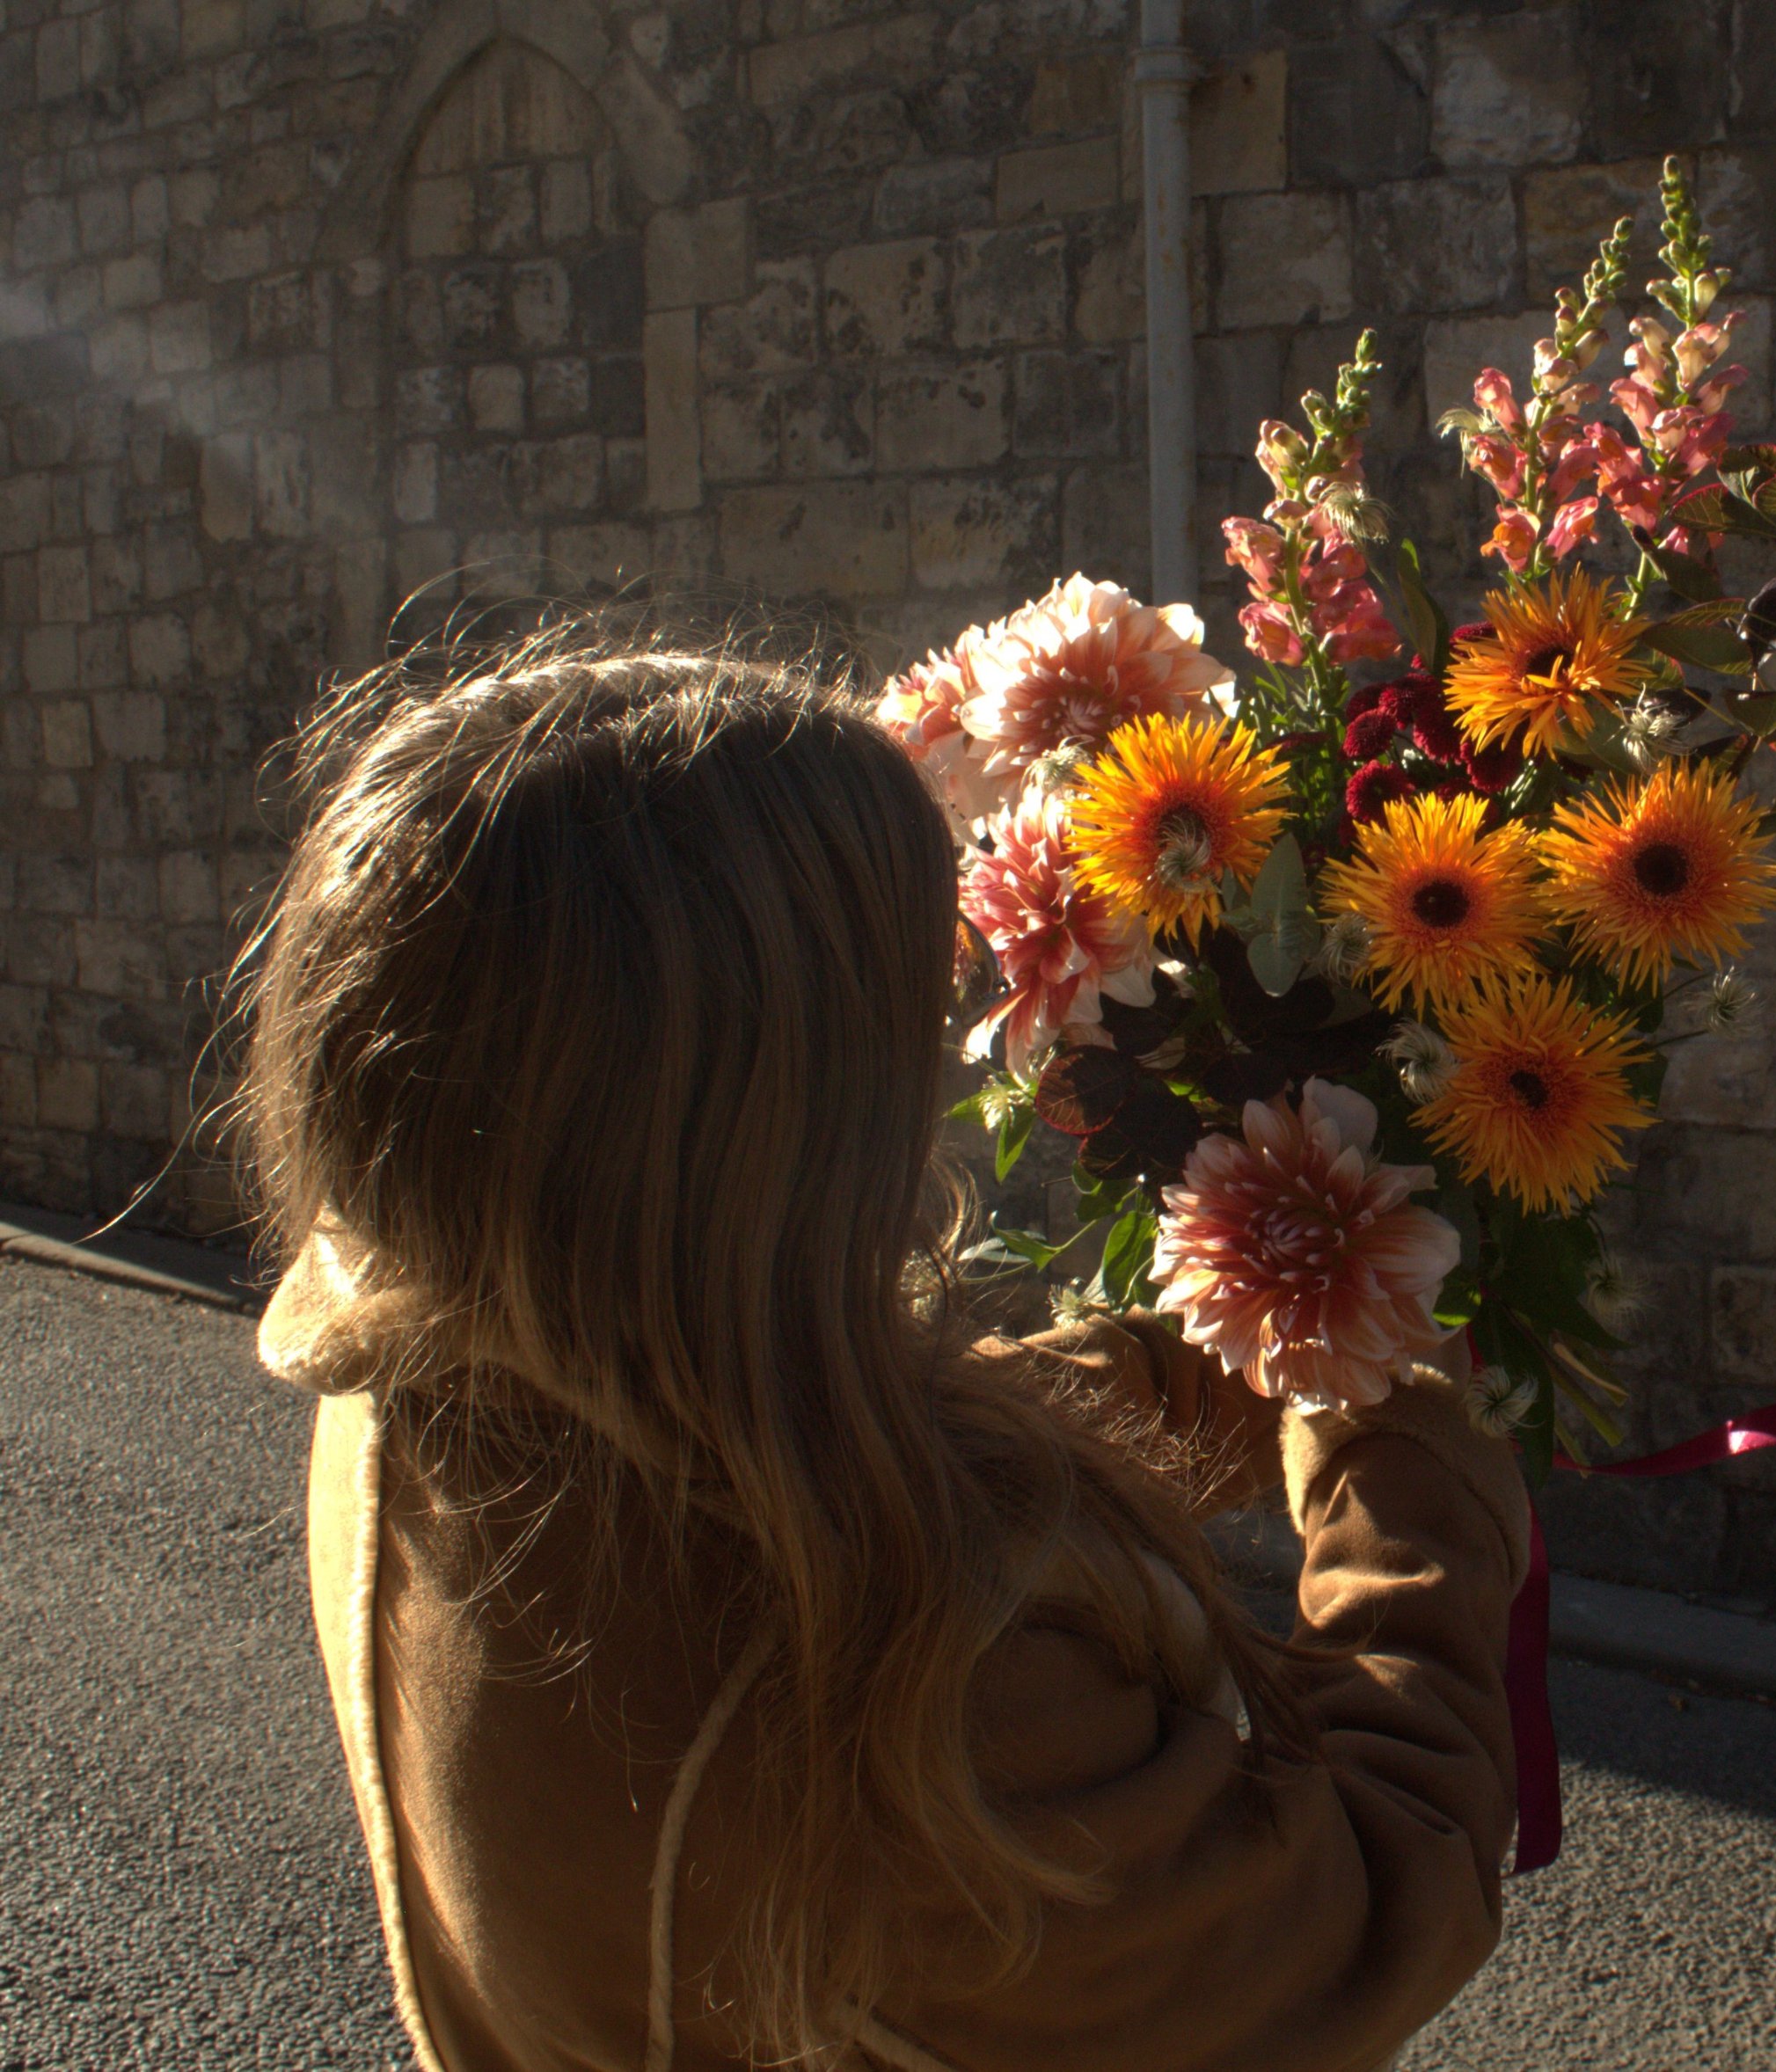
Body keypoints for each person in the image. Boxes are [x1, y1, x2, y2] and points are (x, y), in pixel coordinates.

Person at [240, 625, 1530, 2072]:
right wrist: (1407, 1440)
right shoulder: (904, 1699)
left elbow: (803, 1437)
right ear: (772, 1122)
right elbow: (1363, 1899)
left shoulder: (432, 1366)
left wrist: (1205, 1359)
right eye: (910, 1006)